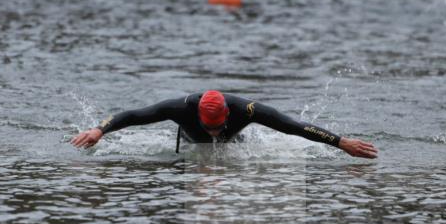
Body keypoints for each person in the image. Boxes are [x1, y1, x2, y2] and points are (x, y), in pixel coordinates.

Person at [71, 90, 378, 159]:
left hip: (236, 147)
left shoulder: (247, 110)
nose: (214, 132)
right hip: (189, 146)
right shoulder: (179, 108)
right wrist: (100, 129)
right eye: (210, 126)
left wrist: (341, 143)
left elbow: (295, 127)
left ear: (228, 117)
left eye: (219, 126)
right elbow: (132, 115)